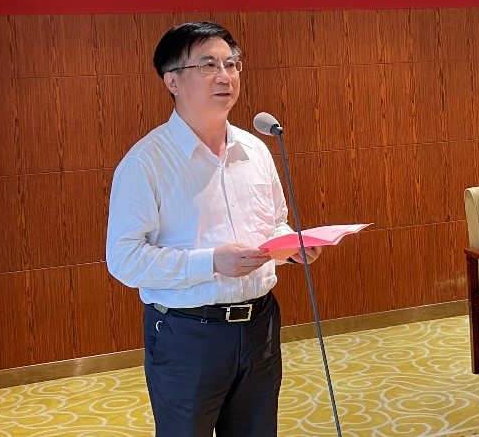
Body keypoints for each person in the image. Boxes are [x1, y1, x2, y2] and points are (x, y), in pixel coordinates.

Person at [106, 21, 319, 437]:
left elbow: (273, 221)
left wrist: (290, 245)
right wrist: (212, 263)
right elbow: (124, 259)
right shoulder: (146, 162)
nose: (225, 76)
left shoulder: (255, 149)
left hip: (260, 326)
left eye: (232, 64)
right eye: (208, 65)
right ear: (172, 80)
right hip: (187, 334)